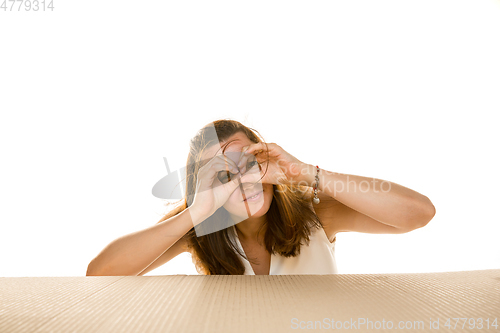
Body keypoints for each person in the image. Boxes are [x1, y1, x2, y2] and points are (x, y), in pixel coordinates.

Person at [86, 119, 436, 276]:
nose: (240, 179)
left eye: (247, 162)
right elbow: (100, 275)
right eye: (222, 173)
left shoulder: (315, 213)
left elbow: (419, 213)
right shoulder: (198, 230)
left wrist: (307, 173)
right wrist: (197, 211)